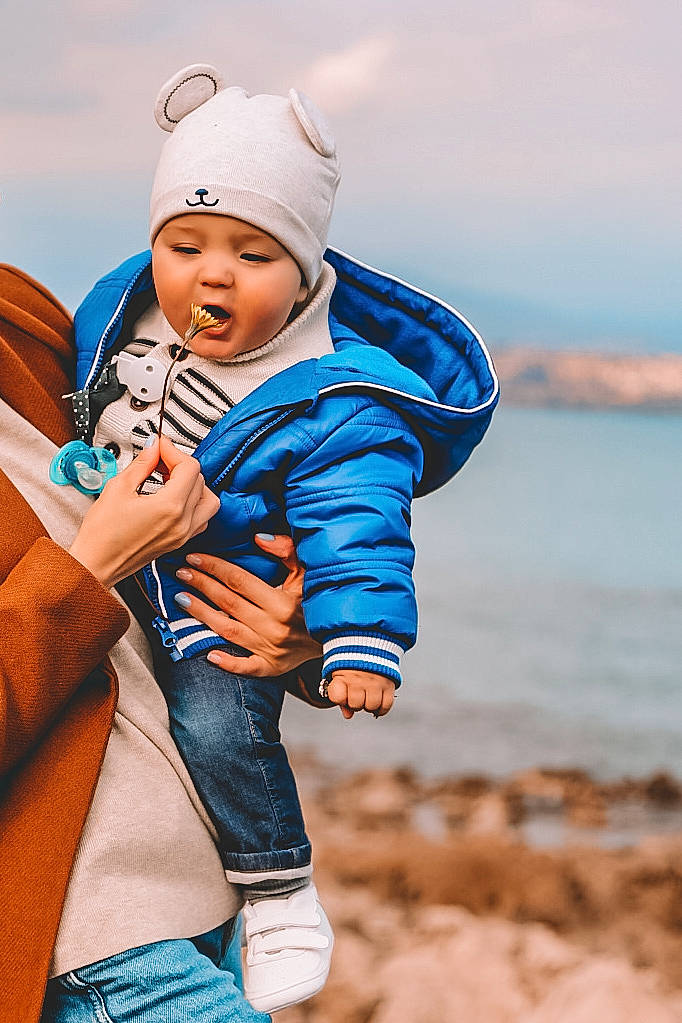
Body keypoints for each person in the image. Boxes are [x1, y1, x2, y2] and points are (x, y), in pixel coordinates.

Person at [61, 64, 499, 1013]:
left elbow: (360, 521)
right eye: (184, 244)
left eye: (252, 256)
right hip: (113, 614)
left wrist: (353, 640)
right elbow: (78, 417)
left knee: (218, 723)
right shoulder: (112, 315)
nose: (210, 275)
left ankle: (276, 883)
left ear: (305, 275)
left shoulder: (333, 393)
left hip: (218, 596)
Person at [0, 263, 324, 1023]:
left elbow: (163, 572)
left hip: (207, 895)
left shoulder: (29, 315)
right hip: (85, 940)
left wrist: (291, 632)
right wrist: (88, 567)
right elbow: (100, 566)